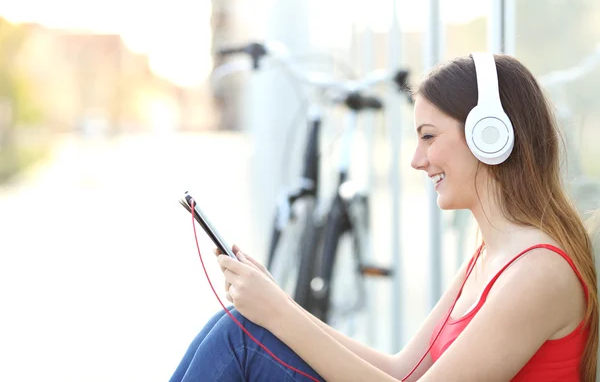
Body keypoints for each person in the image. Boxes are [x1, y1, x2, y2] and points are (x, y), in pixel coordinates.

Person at [169, 53, 598, 381]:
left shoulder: (540, 271)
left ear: (489, 135)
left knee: (241, 337)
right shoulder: (490, 256)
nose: (417, 160)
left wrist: (277, 313)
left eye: (429, 137)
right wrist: (276, 304)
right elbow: (403, 371)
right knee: (239, 324)